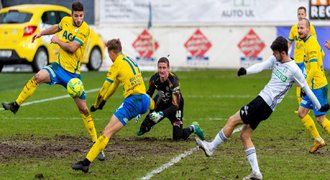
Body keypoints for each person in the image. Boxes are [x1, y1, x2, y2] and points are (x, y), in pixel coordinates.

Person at [195, 36, 329, 180]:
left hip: (263, 103)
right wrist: (246, 71)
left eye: (275, 53)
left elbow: (307, 89)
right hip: (265, 106)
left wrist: (319, 106)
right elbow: (261, 66)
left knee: (232, 120)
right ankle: (256, 172)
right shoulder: (275, 60)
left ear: (283, 53)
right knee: (245, 135)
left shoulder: (294, 69)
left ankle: (211, 147)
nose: (273, 55)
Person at [1, 2, 104, 160]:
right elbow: (56, 27)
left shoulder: (85, 29)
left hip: (73, 76)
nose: (78, 19)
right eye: (76, 15)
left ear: (83, 15)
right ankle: (16, 105)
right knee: (37, 77)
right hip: (58, 68)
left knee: (83, 109)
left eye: (81, 15)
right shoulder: (66, 21)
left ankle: (96, 144)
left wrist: (57, 41)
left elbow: (72, 48)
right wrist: (41, 33)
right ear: (72, 14)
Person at [72, 39, 151, 173]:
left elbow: (105, 87)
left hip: (133, 102)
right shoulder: (128, 59)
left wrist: (97, 104)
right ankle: (154, 110)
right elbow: (115, 85)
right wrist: (105, 101)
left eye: (108, 54)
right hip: (145, 100)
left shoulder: (116, 64)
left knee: (106, 133)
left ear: (112, 53)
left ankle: (85, 163)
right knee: (108, 131)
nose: (109, 57)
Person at [136, 57, 205, 141]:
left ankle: (193, 127)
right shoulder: (154, 79)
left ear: (168, 68)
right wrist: (140, 109)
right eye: (160, 68)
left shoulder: (174, 81)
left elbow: (175, 105)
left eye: (164, 68)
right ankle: (146, 126)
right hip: (161, 103)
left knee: (177, 137)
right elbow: (149, 94)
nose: (162, 70)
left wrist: (161, 114)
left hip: (175, 107)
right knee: (144, 128)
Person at [297, 18, 330, 153]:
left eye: (302, 28)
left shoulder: (310, 44)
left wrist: (305, 86)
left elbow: (315, 68)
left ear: (308, 29)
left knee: (321, 119)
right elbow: (321, 54)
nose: (299, 30)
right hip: (311, 85)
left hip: (318, 87)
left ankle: (319, 140)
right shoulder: (307, 42)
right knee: (302, 112)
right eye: (298, 28)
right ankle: (318, 140)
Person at [288, 6, 317, 104]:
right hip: (296, 60)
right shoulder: (294, 28)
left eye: (302, 14)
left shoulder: (310, 28)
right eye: (299, 14)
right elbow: (290, 42)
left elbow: (314, 42)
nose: (300, 16)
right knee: (298, 82)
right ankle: (301, 103)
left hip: (306, 60)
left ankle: (307, 103)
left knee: (306, 82)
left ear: (305, 15)